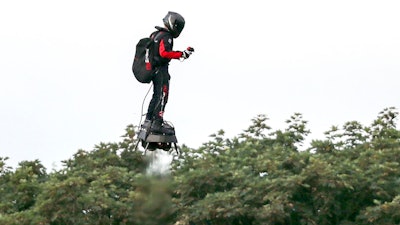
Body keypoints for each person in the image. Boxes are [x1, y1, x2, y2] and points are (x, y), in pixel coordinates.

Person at [143, 11, 194, 135]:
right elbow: (164, 53)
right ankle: (157, 123)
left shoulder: (155, 34)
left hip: (154, 70)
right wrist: (181, 54)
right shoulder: (166, 36)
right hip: (161, 71)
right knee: (163, 95)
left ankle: (148, 120)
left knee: (156, 95)